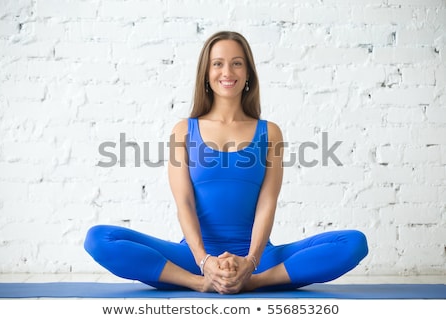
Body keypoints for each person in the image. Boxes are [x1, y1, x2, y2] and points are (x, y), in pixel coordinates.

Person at [84, 30, 368, 294]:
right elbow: (184, 203)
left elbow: (267, 203)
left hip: (258, 259)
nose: (227, 72)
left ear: (248, 74)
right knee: (99, 239)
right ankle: (200, 284)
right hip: (193, 258)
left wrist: (250, 263)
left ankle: (252, 283)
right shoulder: (183, 130)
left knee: (353, 243)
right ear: (206, 73)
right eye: (217, 64)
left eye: (237, 63)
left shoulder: (270, 133)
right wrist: (204, 263)